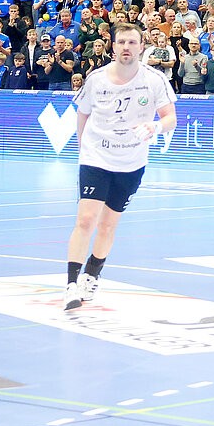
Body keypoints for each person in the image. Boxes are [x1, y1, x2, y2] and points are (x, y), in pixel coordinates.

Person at [62, 22, 177, 311]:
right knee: (86, 219)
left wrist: (154, 127)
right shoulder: (96, 79)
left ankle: (92, 274)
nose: (126, 47)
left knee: (108, 223)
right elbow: (83, 115)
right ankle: (71, 284)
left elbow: (170, 118)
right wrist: (81, 150)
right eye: (121, 42)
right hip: (96, 157)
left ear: (141, 46)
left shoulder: (154, 80)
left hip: (132, 161)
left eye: (132, 42)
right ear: (113, 46)